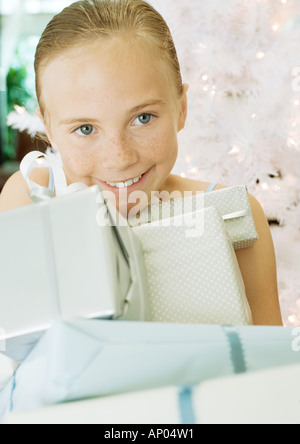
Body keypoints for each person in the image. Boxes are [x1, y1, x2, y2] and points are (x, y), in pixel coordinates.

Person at [0, 0, 282, 326]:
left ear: (181, 108)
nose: (119, 156)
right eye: (85, 129)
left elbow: (272, 359)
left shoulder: (235, 215)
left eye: (142, 118)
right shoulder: (30, 198)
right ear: (49, 130)